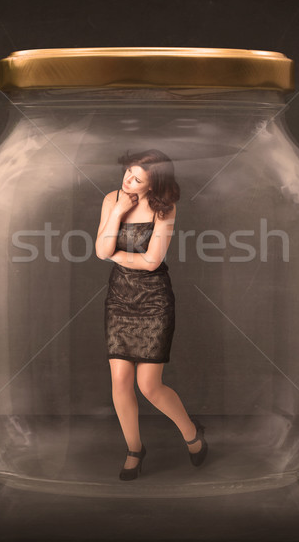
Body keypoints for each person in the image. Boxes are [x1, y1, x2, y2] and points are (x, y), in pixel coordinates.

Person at [95, 149, 208, 481]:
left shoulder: (165, 207)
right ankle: (134, 449)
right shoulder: (112, 198)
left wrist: (115, 253)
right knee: (119, 380)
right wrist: (117, 211)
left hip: (153, 300)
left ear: (153, 184)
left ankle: (191, 433)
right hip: (119, 298)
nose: (128, 181)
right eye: (127, 173)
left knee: (148, 385)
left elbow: (152, 262)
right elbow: (101, 250)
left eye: (137, 179)